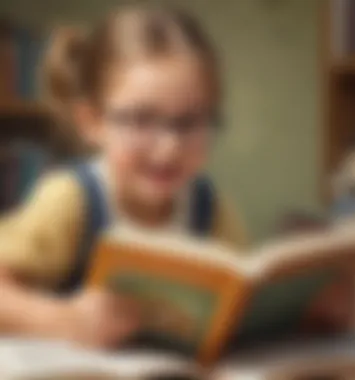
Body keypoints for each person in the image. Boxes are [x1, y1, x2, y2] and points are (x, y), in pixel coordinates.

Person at [0, 6, 248, 348]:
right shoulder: (71, 200)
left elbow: (244, 300)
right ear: (92, 122)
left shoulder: (210, 209)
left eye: (190, 122)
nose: (169, 148)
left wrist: (307, 312)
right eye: (142, 120)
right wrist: (63, 320)